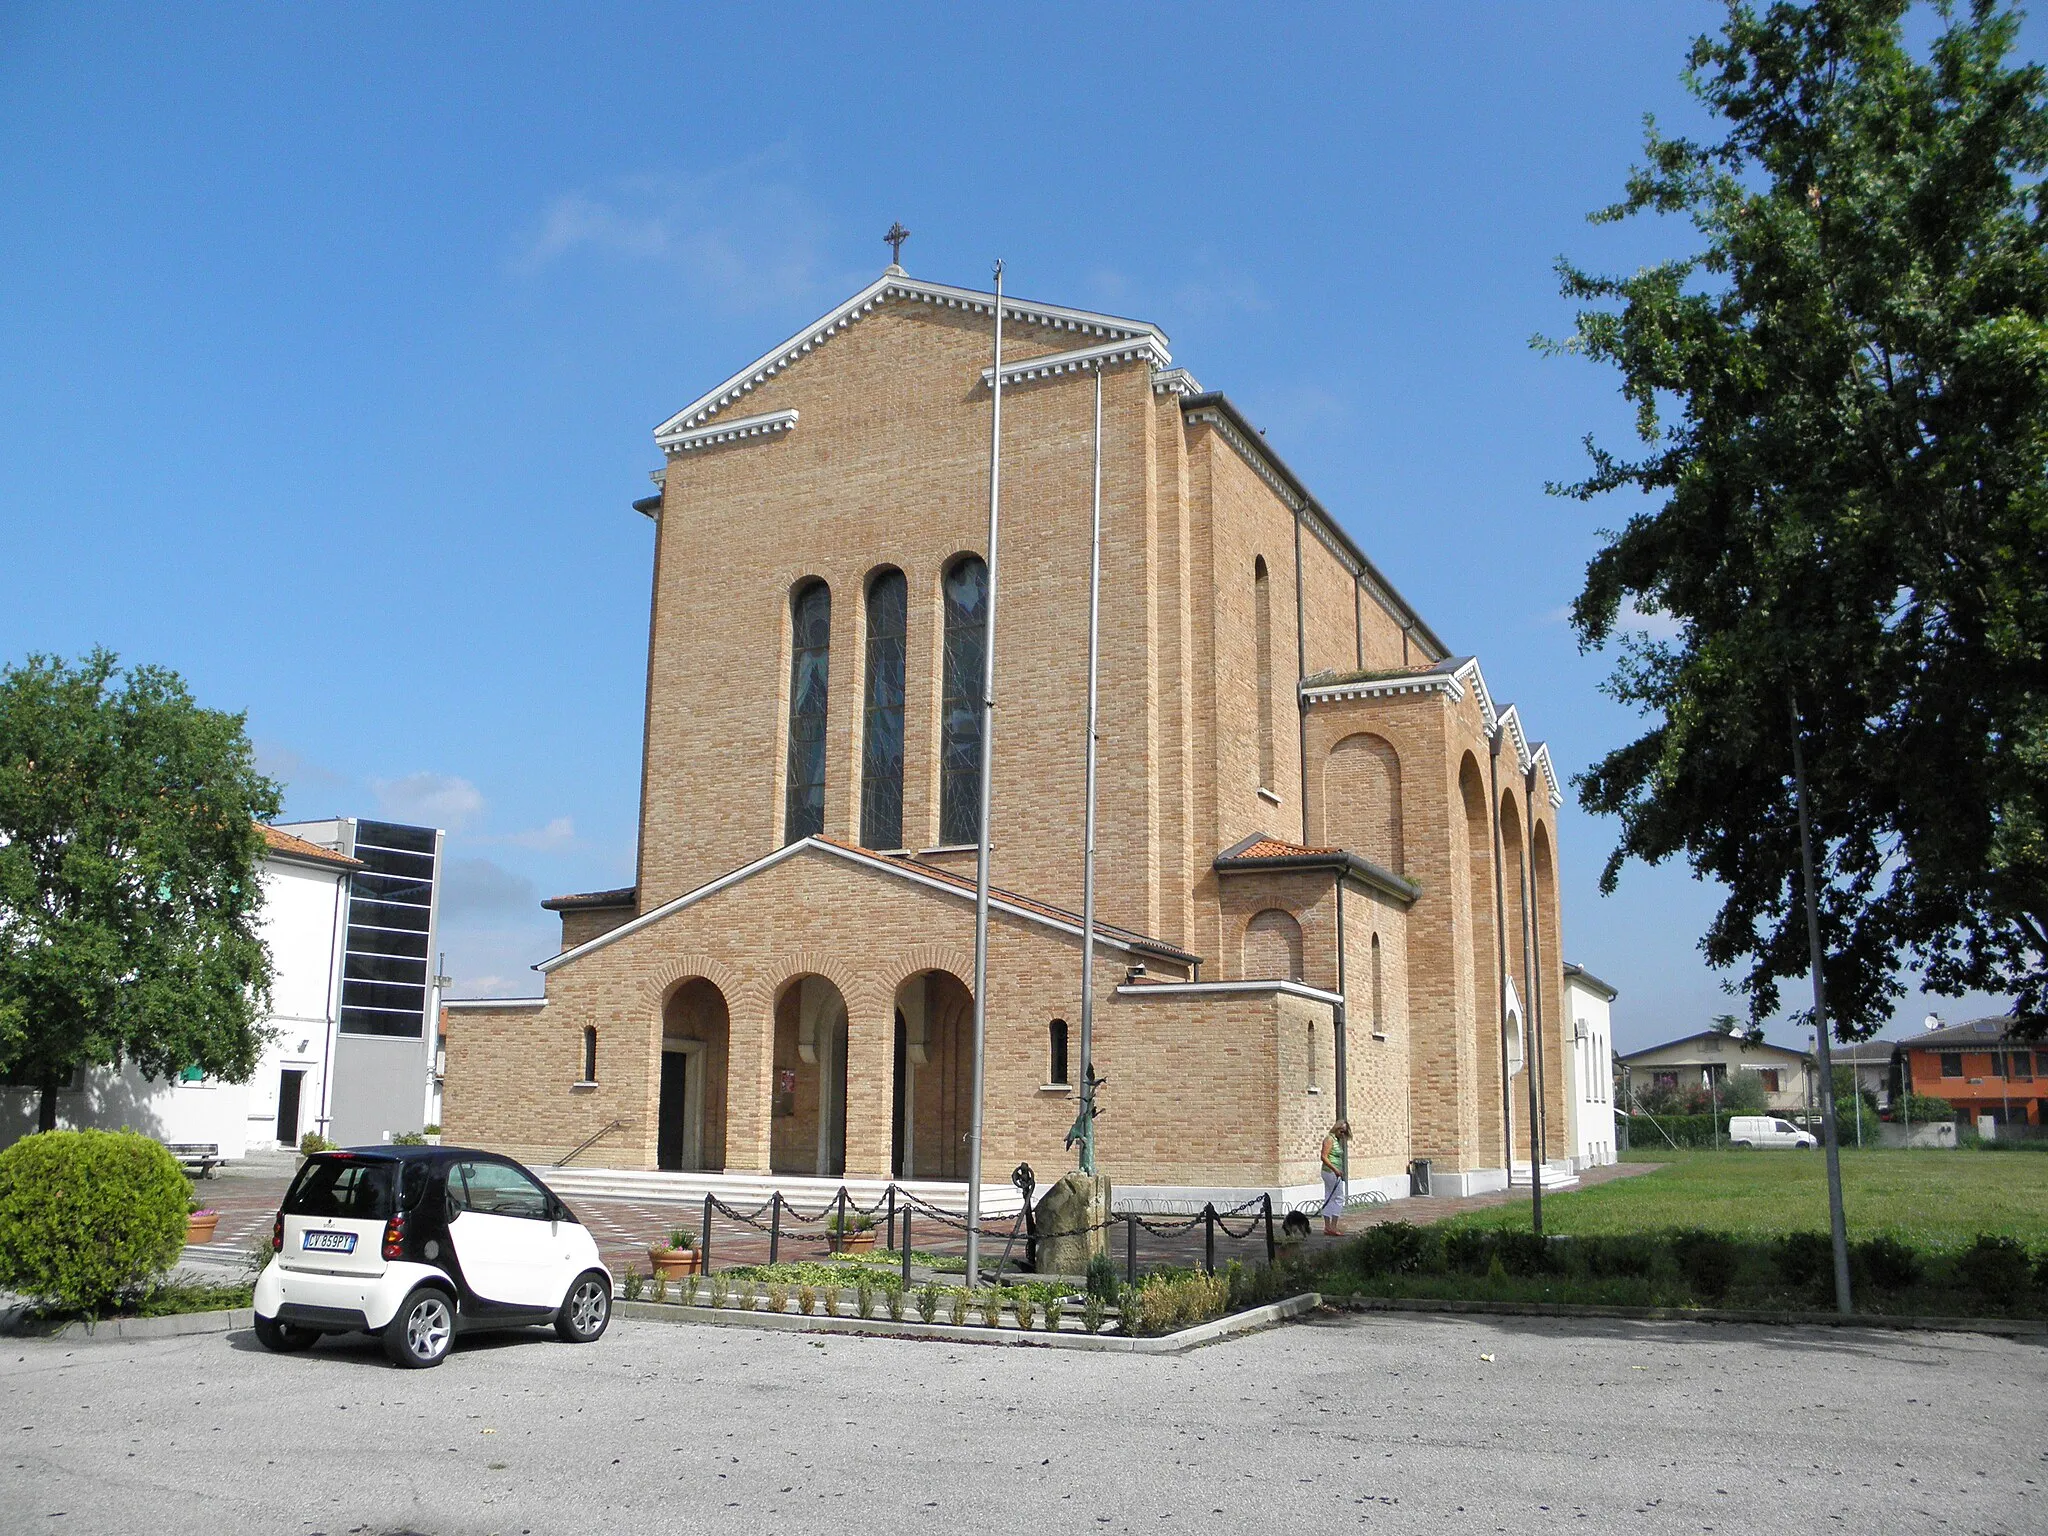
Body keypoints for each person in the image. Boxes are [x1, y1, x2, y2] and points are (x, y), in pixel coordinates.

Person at [1320, 1121, 1350, 1236]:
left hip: (1332, 1172)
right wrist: (1335, 1169)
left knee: (1329, 1197)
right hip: (1331, 1172)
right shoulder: (1330, 1139)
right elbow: (1324, 1156)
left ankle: (1328, 1227)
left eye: (1345, 1133)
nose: (1343, 1134)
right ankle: (1332, 1226)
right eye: (1341, 1131)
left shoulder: (1336, 1140)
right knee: (1339, 1197)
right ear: (1336, 1129)